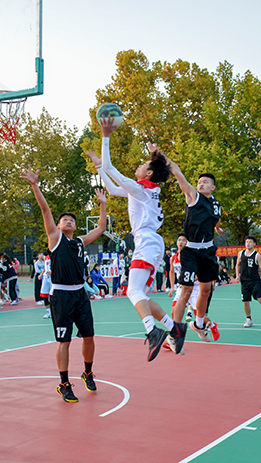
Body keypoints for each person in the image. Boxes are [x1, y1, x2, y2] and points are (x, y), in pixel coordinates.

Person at [86, 116, 187, 361]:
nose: (138, 166)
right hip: (152, 242)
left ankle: (153, 332)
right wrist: (99, 167)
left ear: (149, 173)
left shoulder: (141, 189)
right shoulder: (145, 191)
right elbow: (113, 189)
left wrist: (106, 137)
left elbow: (111, 169)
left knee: (132, 291)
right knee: (140, 294)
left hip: (147, 241)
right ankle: (174, 328)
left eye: (142, 164)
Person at [21, 164, 108, 403]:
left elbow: (101, 227)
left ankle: (87, 372)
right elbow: (45, 209)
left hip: (80, 295)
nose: (68, 221)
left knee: (89, 337)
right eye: (64, 220)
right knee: (64, 341)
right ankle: (64, 383)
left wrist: (102, 204)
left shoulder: (79, 242)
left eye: (71, 220)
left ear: (75, 226)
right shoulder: (55, 239)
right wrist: (35, 185)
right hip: (61, 296)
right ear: (58, 226)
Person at [161, 150, 223, 342]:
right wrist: (160, 155)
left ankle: (199, 324)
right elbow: (177, 172)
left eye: (205, 182)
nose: (200, 184)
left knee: (206, 290)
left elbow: (215, 218)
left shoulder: (216, 204)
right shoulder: (193, 196)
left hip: (208, 250)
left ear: (213, 187)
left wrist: (218, 228)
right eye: (199, 182)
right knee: (186, 291)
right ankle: (175, 334)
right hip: (191, 250)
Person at [234, 235, 261, 329]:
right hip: (244, 281)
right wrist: (237, 275)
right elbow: (237, 265)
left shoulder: (257, 255)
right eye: (246, 242)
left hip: (255, 281)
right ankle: (248, 319)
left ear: (254, 244)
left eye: (250, 242)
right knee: (245, 301)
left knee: (260, 299)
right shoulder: (241, 253)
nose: (248, 243)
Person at [40, 250, 52, 318]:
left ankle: (54, 311)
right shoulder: (46, 258)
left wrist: (52, 272)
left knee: (54, 295)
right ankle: (48, 311)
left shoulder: (55, 256)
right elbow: (45, 268)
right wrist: (41, 274)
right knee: (44, 294)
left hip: (53, 277)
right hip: (45, 277)